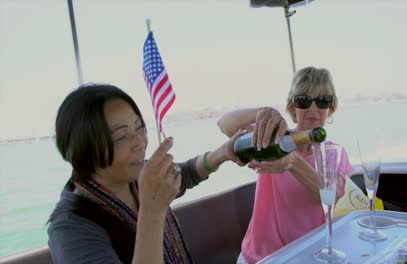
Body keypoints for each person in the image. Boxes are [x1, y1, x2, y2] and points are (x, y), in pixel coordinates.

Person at [47, 83, 243, 264]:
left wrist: (222, 153)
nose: (140, 143)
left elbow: (186, 174)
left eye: (140, 127)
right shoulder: (71, 228)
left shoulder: (136, 177)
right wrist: (152, 210)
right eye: (122, 136)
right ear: (85, 150)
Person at [217, 66, 354, 264]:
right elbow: (224, 124)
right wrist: (262, 113)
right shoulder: (273, 139)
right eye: (303, 101)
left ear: (331, 108)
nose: (313, 108)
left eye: (323, 101)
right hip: (262, 258)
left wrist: (293, 162)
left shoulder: (334, 152)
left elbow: (330, 195)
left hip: (311, 256)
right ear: (292, 107)